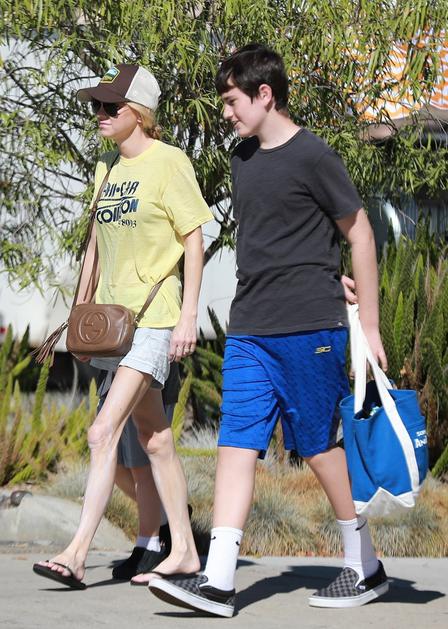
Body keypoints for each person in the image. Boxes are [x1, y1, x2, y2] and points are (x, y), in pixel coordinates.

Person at [148, 44, 389, 614]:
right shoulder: (242, 158)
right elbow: (280, 236)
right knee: (237, 442)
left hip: (310, 328)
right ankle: (218, 580)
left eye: (232, 100)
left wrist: (370, 325)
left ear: (265, 94)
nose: (226, 112)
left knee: (319, 448)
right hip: (250, 327)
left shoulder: (315, 157)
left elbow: (359, 234)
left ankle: (365, 564)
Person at [33, 63, 212, 589]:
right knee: (154, 438)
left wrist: (188, 316)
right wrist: (79, 312)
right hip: (113, 323)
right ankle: (184, 550)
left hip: (154, 319)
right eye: (97, 106)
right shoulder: (106, 167)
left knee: (101, 431)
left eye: (111, 106)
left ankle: (76, 554)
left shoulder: (169, 163)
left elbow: (194, 239)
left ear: (140, 113)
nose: (100, 114)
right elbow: (94, 243)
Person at [94, 363, 182, 582]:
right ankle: (168, 515)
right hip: (112, 373)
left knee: (141, 465)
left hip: (147, 368)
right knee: (112, 463)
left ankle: (148, 546)